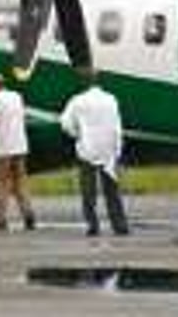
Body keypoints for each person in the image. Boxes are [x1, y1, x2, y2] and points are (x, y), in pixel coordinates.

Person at [60, 71, 129, 236]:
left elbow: (65, 124)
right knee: (112, 191)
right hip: (108, 150)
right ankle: (120, 225)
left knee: (88, 191)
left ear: (85, 83)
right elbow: (117, 127)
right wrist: (118, 148)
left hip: (87, 149)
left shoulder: (78, 100)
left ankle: (93, 225)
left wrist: (77, 135)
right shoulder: (111, 99)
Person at [0, 74, 37, 231]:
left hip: (2, 148)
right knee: (20, 182)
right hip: (20, 146)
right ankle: (28, 214)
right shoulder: (16, 97)